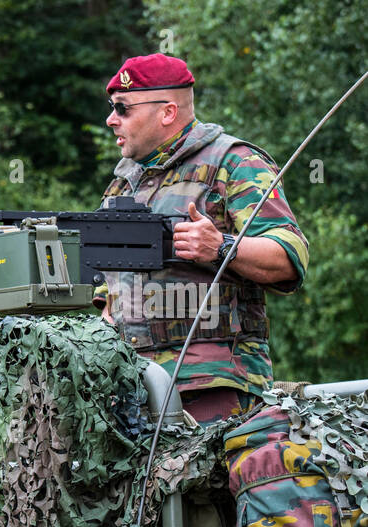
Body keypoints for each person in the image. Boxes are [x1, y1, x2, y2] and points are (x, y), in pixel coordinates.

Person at [95, 53, 309, 425]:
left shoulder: (234, 162)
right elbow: (107, 292)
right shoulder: (122, 184)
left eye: (122, 108)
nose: (111, 119)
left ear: (166, 112)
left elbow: (290, 255)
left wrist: (221, 246)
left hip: (213, 387)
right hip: (134, 388)